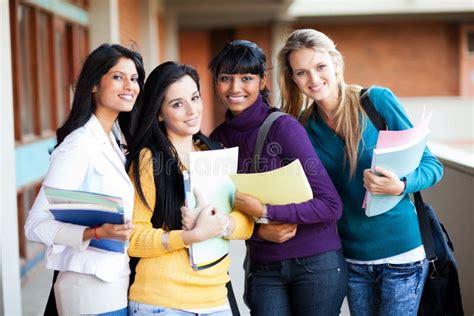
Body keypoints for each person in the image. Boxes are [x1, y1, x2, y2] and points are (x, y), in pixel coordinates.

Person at [277, 28, 444, 316]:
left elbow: (432, 165)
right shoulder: (301, 127)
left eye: (320, 67)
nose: (314, 80)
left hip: (401, 254)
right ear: (293, 78)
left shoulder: (375, 101)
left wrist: (401, 185)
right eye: (302, 72)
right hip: (351, 260)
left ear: (336, 63)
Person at [209, 40, 346, 316]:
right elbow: (218, 214)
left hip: (316, 264)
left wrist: (267, 212)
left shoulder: (283, 128)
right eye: (226, 78)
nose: (235, 88)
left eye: (246, 78)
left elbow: (331, 205)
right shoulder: (216, 141)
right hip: (264, 268)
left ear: (261, 81)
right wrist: (259, 230)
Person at [24, 43, 145, 315]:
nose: (130, 85)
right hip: (88, 290)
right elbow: (35, 225)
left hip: (113, 285)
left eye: (134, 78)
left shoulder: (112, 140)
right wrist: (95, 233)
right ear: (93, 85)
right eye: (118, 77)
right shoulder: (79, 145)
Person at [126, 61, 254, 315]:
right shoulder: (148, 160)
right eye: (177, 104)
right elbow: (132, 238)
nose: (191, 110)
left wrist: (221, 224)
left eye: (194, 98)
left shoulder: (212, 151)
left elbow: (245, 223)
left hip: (216, 299)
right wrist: (189, 236)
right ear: (159, 113)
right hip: (162, 302)